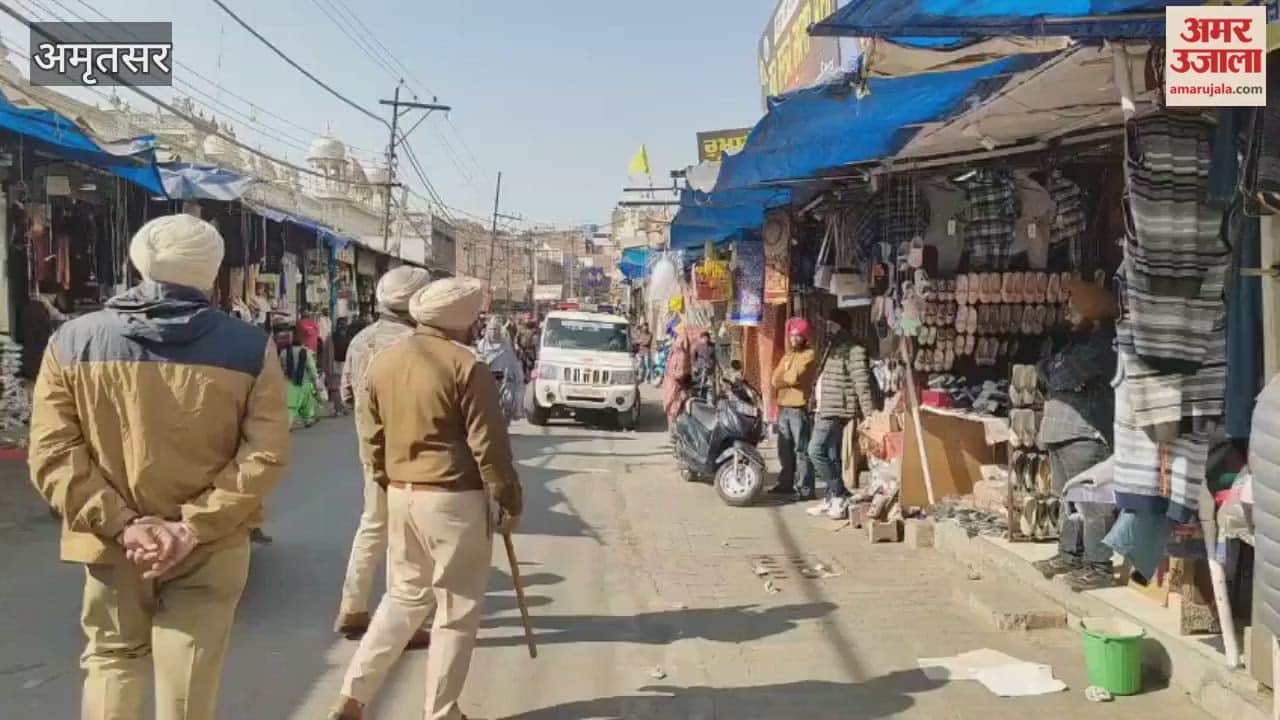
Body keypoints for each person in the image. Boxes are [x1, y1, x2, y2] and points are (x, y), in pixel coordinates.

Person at [27, 214, 291, 720]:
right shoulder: (250, 347)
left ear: (137, 260)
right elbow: (265, 454)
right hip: (210, 545)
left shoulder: (71, 341)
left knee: (112, 661)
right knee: (188, 678)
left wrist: (125, 526)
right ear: (212, 271)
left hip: (110, 542)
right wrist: (192, 527)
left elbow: (53, 453)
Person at [330, 277, 523, 720]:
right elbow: (490, 448)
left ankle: (353, 696)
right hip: (453, 499)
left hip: (401, 495)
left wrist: (386, 479)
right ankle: (442, 711)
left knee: (403, 597)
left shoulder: (383, 361)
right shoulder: (466, 366)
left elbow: (371, 437)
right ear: (464, 321)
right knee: (456, 608)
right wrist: (507, 499)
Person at [335, 266, 434, 641]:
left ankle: (353, 607)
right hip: (414, 452)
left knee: (373, 524)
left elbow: (346, 395)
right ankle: (400, 626)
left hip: (371, 447)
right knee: (407, 537)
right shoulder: (420, 344)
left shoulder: (362, 340)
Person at [1031, 279, 1120, 592]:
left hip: (1085, 434)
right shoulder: (1077, 344)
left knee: (1092, 503)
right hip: (1062, 432)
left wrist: (1051, 369)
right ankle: (1070, 555)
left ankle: (1099, 565)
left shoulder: (1102, 344)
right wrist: (1050, 368)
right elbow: (1047, 373)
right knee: (1067, 500)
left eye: (1074, 308)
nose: (1068, 313)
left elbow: (1060, 374)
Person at [806, 313, 874, 520]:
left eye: (831, 324)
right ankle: (832, 497)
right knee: (830, 454)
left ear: (841, 326)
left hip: (837, 408)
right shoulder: (832, 347)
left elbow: (861, 382)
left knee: (815, 450)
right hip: (824, 407)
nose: (828, 328)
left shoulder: (853, 349)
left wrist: (869, 415)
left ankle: (839, 493)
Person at [769, 318, 818, 500]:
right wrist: (785, 376)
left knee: (801, 450)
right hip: (784, 406)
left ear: (804, 337)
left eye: (798, 336)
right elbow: (775, 379)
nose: (794, 339)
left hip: (798, 407)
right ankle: (785, 484)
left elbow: (793, 378)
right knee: (784, 448)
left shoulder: (809, 354)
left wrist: (785, 377)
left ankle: (805, 489)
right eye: (792, 336)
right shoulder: (788, 356)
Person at [476, 316, 526, 422]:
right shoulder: (482, 346)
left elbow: (512, 361)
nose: (493, 332)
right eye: (491, 329)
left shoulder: (505, 345)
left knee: (507, 400)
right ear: (487, 331)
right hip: (488, 379)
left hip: (504, 379)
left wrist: (516, 375)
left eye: (496, 329)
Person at [281, 327, 321, 429]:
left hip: (289, 382)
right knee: (307, 403)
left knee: (291, 405)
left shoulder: (284, 352)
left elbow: (280, 367)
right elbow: (311, 368)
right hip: (304, 382)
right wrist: (316, 380)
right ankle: (308, 420)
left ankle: (288, 423)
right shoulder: (307, 352)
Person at [661, 329, 693, 434]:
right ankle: (674, 431)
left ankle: (673, 431)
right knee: (674, 408)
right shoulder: (680, 354)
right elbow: (679, 372)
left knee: (673, 408)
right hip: (675, 385)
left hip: (674, 385)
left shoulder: (678, 353)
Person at [691, 330, 717, 398]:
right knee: (699, 382)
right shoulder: (697, 346)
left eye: (707, 338)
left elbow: (715, 356)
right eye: (704, 338)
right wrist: (694, 366)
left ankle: (710, 396)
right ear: (701, 338)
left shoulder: (713, 346)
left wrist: (716, 367)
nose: (706, 339)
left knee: (711, 383)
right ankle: (698, 394)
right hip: (700, 367)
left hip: (710, 367)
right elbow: (693, 357)